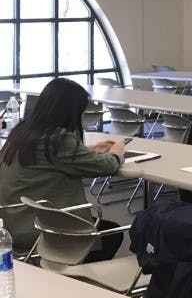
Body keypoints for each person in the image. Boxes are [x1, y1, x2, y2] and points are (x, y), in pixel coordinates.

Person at [0, 78, 126, 258]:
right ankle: (71, 269)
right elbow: (108, 166)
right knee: (113, 233)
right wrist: (117, 151)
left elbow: (48, 158)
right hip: (40, 228)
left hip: (13, 222)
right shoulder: (58, 139)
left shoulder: (23, 131)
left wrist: (87, 150)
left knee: (107, 229)